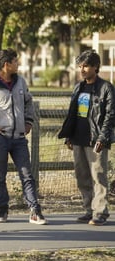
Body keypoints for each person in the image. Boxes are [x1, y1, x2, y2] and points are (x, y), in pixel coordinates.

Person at [0, 48, 47, 225]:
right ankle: (2, 210)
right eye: (15, 61)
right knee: (0, 176)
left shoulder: (21, 81)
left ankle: (35, 211)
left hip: (19, 139)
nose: (18, 64)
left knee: (27, 175)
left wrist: (28, 121)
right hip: (0, 138)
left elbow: (28, 101)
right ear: (6, 65)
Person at [58, 49, 115, 226]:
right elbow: (73, 113)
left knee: (98, 175)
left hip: (96, 140)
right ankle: (89, 209)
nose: (82, 69)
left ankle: (100, 212)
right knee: (82, 176)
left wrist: (102, 138)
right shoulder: (79, 87)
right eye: (80, 66)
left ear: (96, 67)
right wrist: (69, 136)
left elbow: (110, 115)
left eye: (86, 66)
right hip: (78, 139)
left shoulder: (106, 88)